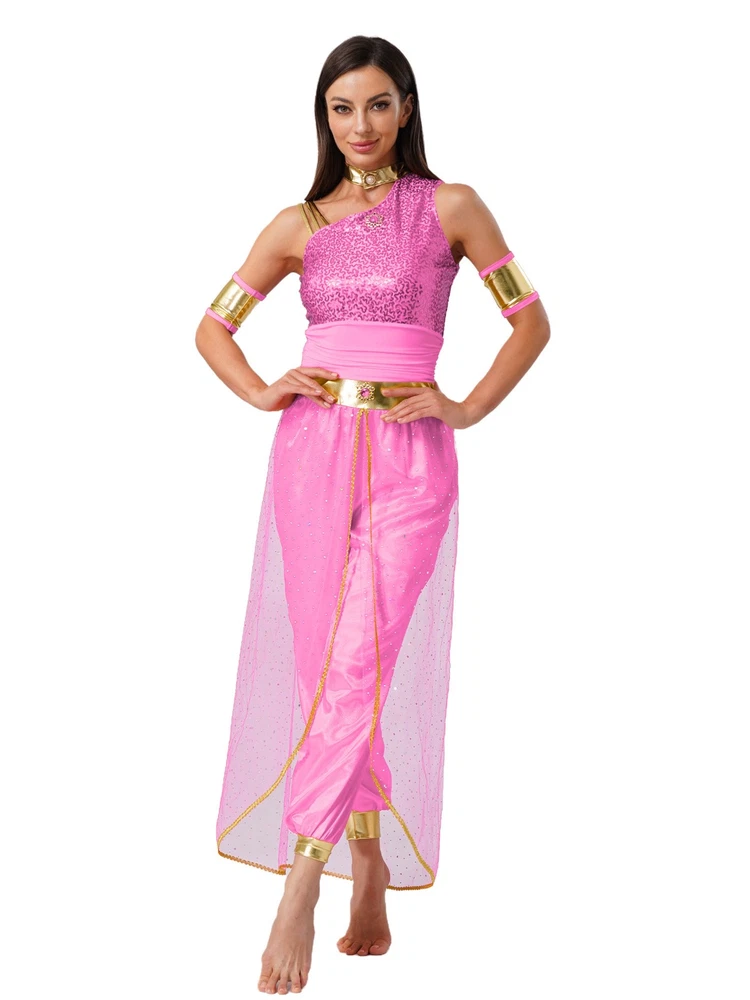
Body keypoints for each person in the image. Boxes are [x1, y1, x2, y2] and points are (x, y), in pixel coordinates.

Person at [195, 34, 550, 997]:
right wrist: (262, 389)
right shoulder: (297, 223)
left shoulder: (451, 207)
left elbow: (530, 321)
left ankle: (301, 878)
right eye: (342, 108)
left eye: (379, 104)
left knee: (360, 660)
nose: (361, 125)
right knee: (329, 666)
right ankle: (369, 864)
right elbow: (213, 326)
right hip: (311, 450)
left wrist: (465, 407)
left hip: (411, 454)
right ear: (324, 116)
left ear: (407, 107)